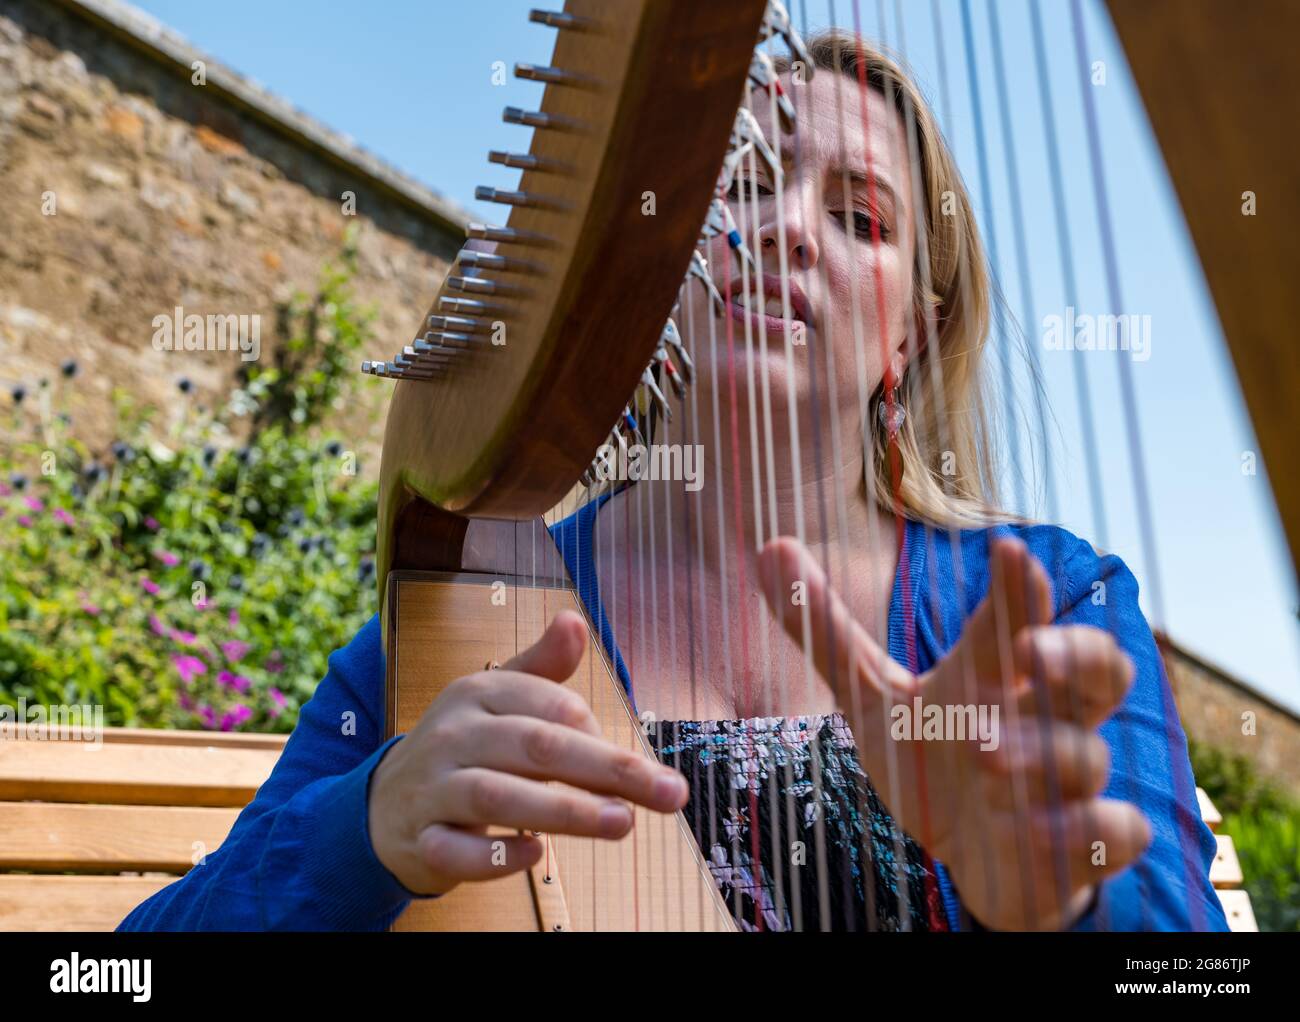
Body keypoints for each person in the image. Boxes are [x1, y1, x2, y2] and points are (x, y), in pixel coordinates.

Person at [117, 30, 1227, 932]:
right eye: (743, 185)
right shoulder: (468, 627)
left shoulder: (1048, 602)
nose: (787, 228)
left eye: (858, 217)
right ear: (665, 260)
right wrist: (365, 825)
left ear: (910, 339)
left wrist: (1062, 891)